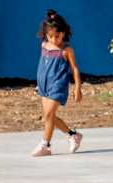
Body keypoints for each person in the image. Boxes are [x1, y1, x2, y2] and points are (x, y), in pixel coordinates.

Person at [31, 9, 83, 157]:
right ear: (46, 35)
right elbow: (44, 65)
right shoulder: (44, 45)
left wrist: (77, 87)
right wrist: (39, 83)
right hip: (44, 85)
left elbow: (75, 68)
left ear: (64, 33)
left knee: (49, 115)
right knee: (48, 117)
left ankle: (45, 145)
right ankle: (73, 135)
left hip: (58, 85)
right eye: (50, 36)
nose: (54, 39)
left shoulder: (67, 50)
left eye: (58, 36)